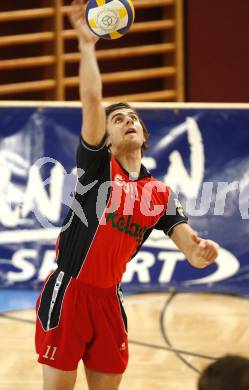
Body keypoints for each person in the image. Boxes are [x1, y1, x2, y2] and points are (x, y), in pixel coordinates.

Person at [35, 1, 219, 389]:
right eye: (118, 120)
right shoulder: (98, 167)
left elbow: (188, 244)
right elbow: (91, 102)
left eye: (133, 117)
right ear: (108, 139)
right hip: (69, 292)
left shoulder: (160, 193)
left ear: (144, 135)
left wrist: (199, 253)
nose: (127, 121)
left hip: (109, 301)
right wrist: (86, 46)